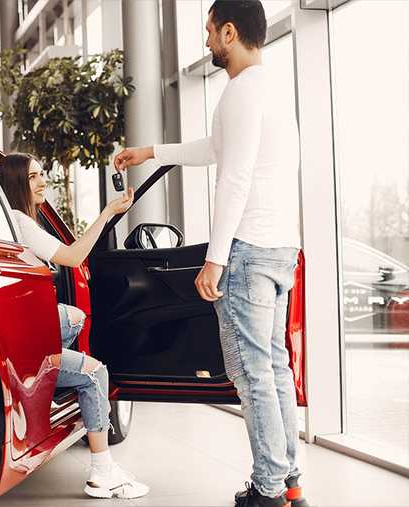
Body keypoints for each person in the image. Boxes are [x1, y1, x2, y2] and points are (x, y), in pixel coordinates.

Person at [114, 2, 308, 507]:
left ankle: (266, 490)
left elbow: (235, 177)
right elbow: (216, 149)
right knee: (275, 370)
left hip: (247, 252)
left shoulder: (242, 92)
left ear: (229, 31)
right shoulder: (269, 89)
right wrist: (152, 151)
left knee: (251, 376)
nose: (205, 43)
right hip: (281, 246)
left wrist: (216, 258)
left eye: (208, 33)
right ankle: (289, 483)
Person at [0, 153, 148, 500]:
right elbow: (74, 257)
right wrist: (108, 213)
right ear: (17, 182)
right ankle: (102, 472)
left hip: (16, 333)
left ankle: (55, 379)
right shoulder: (19, 222)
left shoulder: (10, 221)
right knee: (95, 373)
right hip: (21, 344)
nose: (43, 181)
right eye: (34, 176)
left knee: (74, 317)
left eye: (42, 173)